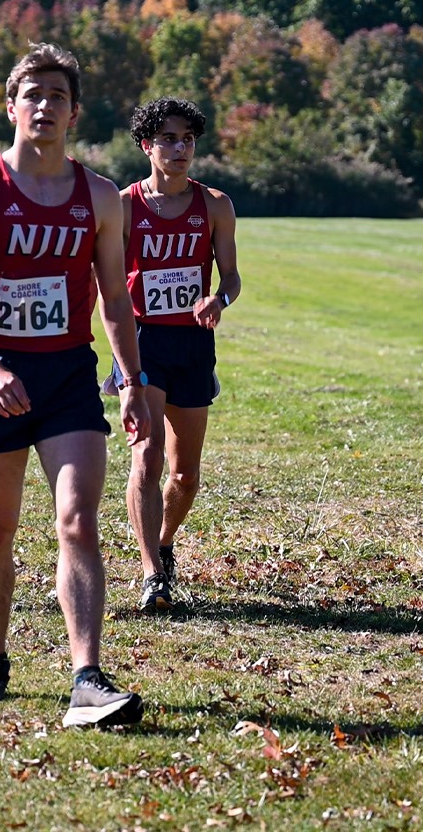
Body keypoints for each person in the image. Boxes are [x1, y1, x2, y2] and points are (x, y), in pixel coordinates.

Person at [0, 43, 151, 728]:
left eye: (57, 95)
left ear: (73, 111)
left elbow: (116, 298)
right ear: (11, 107)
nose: (44, 106)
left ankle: (87, 677)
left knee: (78, 522)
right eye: (32, 94)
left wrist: (134, 380)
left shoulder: (98, 196)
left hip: (66, 378)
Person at [116, 97, 240, 612]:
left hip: (193, 344)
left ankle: (163, 544)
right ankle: (151, 575)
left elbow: (231, 277)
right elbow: (104, 282)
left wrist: (219, 298)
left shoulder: (214, 204)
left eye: (187, 138)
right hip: (143, 342)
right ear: (147, 146)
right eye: (168, 138)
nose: (179, 147)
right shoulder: (123, 206)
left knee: (185, 475)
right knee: (145, 456)